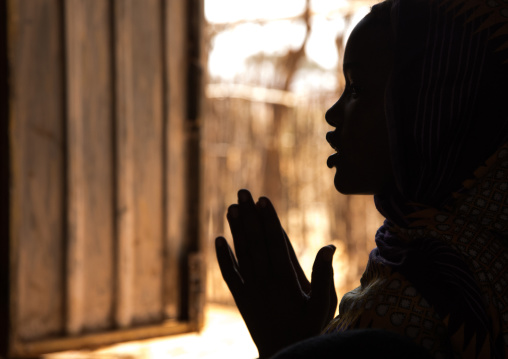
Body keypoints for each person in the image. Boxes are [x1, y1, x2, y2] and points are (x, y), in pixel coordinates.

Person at [215, 0, 508, 358]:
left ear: (436, 105)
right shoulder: (481, 257)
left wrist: (290, 348)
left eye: (356, 88)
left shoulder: (403, 308)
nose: (332, 112)